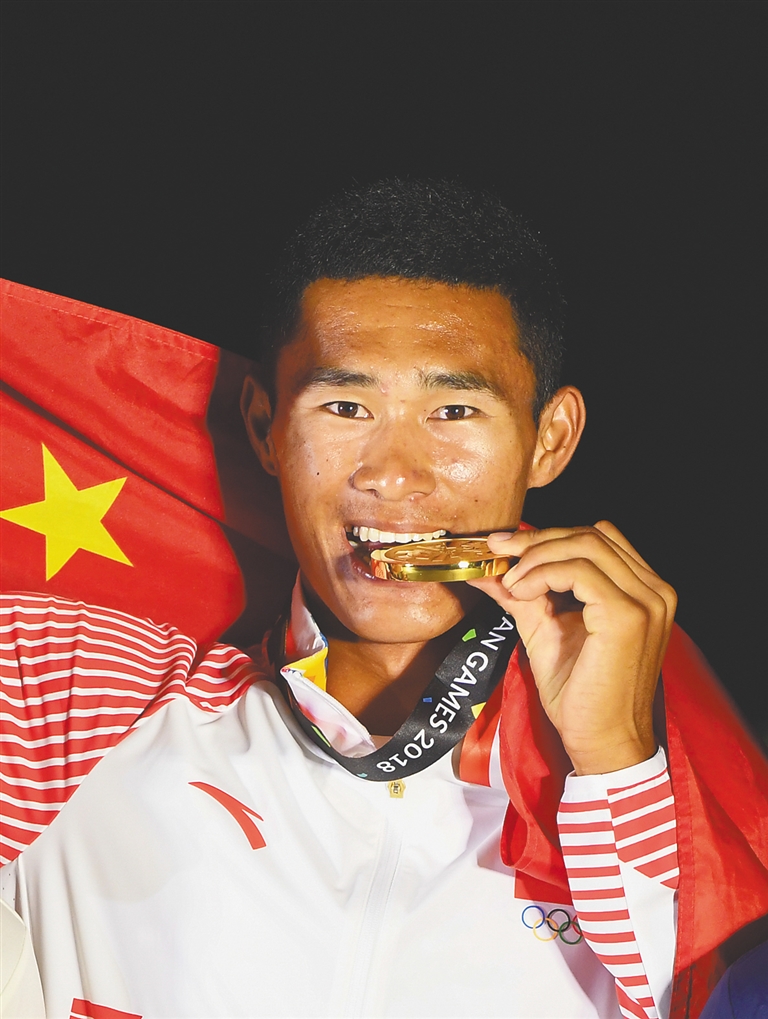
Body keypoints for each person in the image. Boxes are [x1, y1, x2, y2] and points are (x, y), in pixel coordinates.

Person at [1, 180, 766, 1019]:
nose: (394, 473)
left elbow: (706, 996)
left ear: (550, 438)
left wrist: (616, 756)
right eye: (345, 405)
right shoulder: (74, 695)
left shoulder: (630, 783)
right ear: (263, 427)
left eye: (454, 409)